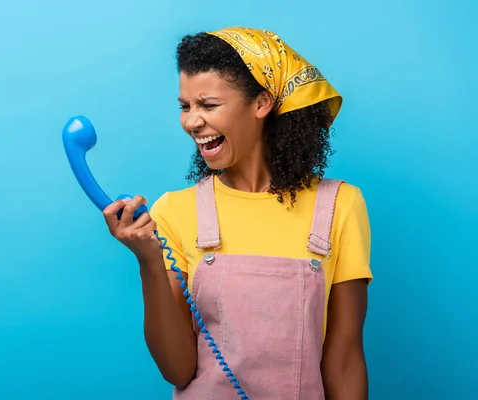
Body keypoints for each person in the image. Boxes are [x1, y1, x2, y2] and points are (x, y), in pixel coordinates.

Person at [103, 26, 372, 400]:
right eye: (185, 106)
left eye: (208, 105)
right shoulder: (173, 211)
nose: (191, 122)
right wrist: (149, 260)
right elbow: (177, 369)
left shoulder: (339, 206)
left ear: (261, 103)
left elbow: (344, 359)